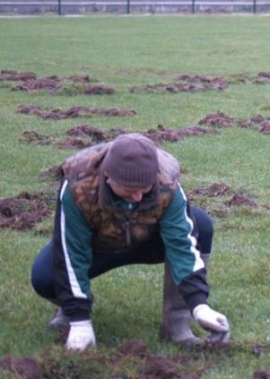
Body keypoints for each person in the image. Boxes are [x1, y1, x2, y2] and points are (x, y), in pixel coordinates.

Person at [31, 133, 230, 351]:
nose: (137, 198)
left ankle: (177, 324)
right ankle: (70, 308)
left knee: (200, 225)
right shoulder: (77, 187)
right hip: (96, 246)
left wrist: (199, 305)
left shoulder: (167, 182)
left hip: (148, 241)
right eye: (129, 190)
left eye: (144, 190)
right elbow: (71, 251)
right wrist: (80, 319)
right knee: (44, 278)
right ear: (108, 176)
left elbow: (182, 245)